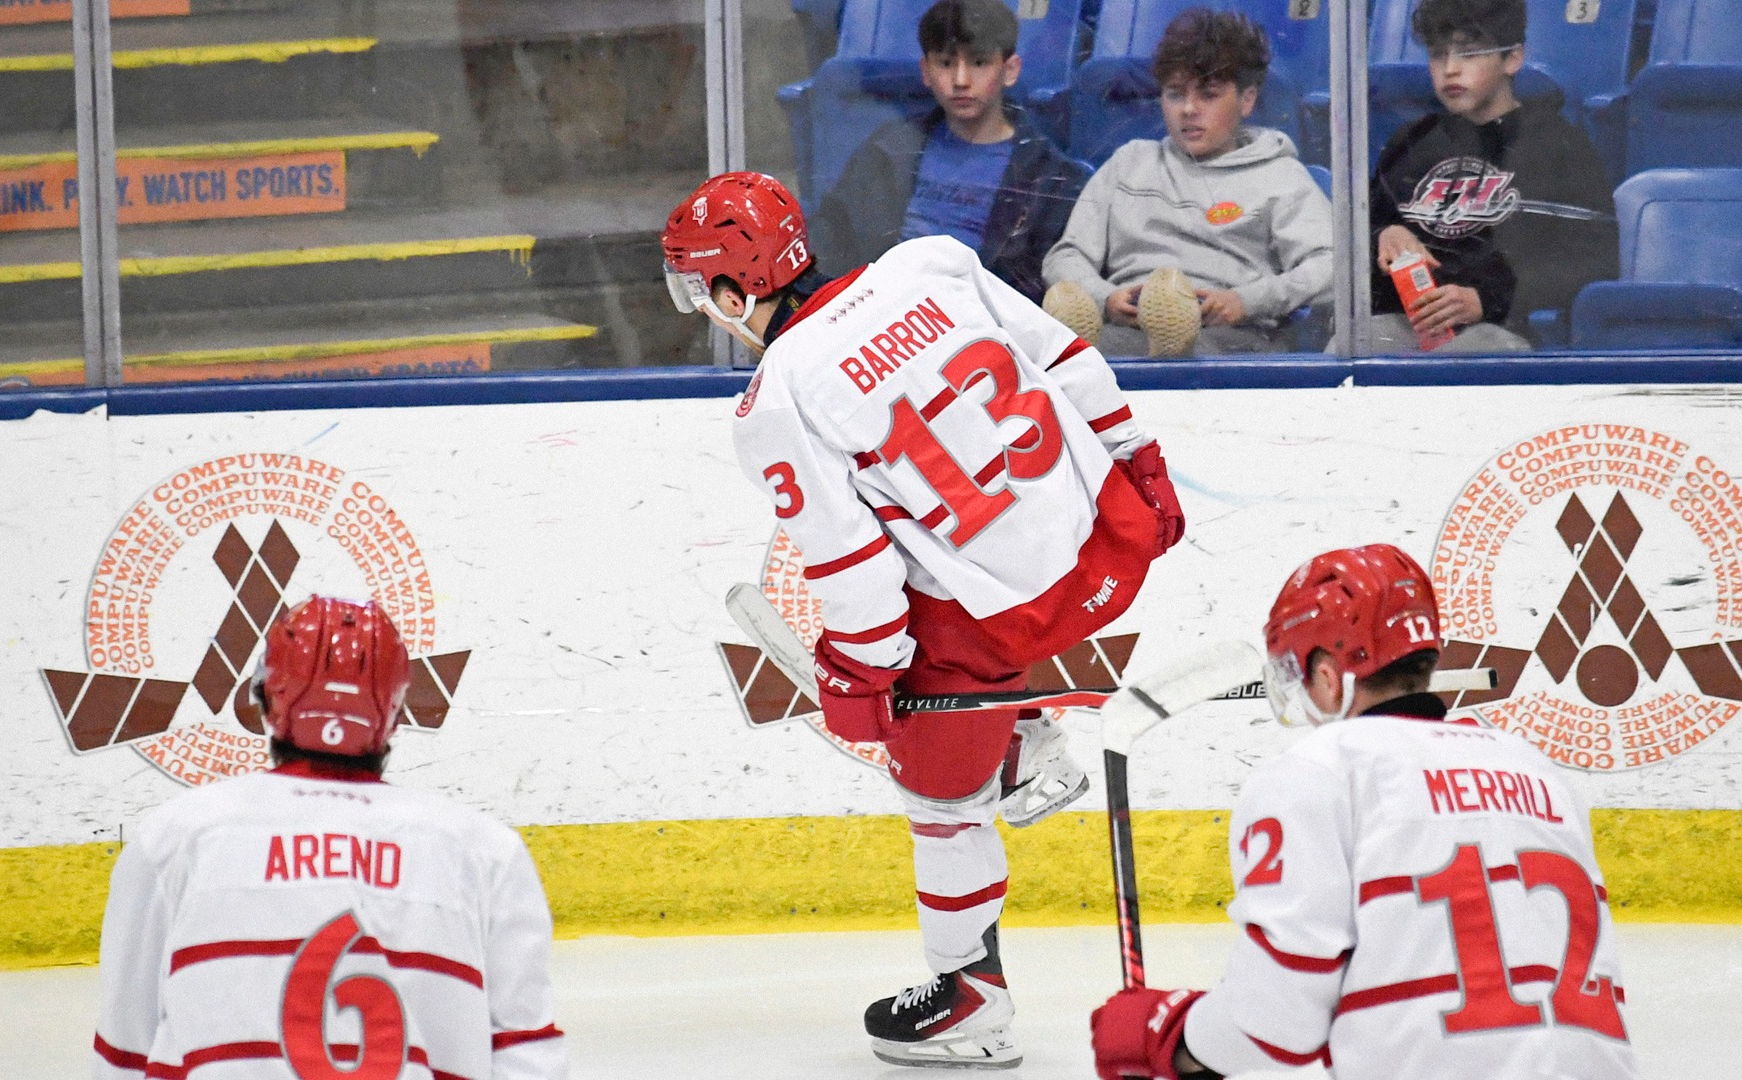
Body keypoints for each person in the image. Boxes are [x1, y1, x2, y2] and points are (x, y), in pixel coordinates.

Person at [663, 170, 1184, 1069]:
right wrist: (1140, 460)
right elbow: (1066, 358)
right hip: (1104, 548)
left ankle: (969, 995)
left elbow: (856, 568)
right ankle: (1019, 734)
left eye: (697, 291)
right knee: (950, 560)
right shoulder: (928, 264)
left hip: (1001, 622)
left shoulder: (776, 400)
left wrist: (861, 677)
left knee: (938, 792)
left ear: (732, 292)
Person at [1089, 544, 1637, 1080]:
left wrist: (1168, 1033)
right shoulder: (1539, 772)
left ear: (1329, 677)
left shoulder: (1319, 772)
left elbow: (1280, 1022)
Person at [92, 597, 567, 1080]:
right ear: (394, 709)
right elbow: (528, 1057)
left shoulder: (172, 838)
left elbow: (124, 1055)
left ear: (267, 697)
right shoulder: (488, 852)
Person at [1042, 9, 1332, 357]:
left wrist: (1247, 301)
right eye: (1175, 94)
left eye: (1208, 95)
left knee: (1174, 351)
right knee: (1063, 351)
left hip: (1234, 336)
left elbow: (1329, 265)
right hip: (1128, 326)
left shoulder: (1280, 175)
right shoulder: (1129, 163)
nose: (1189, 109)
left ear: (1247, 100)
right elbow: (1067, 255)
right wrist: (1105, 298)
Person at [1369, 0, 1618, 352]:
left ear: (1512, 58)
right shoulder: (1411, 141)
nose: (1450, 69)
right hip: (1407, 322)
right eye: (1438, 55)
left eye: (1469, 54)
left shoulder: (1561, 147)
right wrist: (1384, 234)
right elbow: (1353, 243)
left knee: (1476, 354)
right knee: (1353, 344)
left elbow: (1595, 263)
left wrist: (1485, 300)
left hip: (1502, 327)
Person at [808, 0, 1090, 303]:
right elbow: (831, 237)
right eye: (945, 63)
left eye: (979, 63)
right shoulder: (888, 149)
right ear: (925, 71)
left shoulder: (1050, 178)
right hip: (885, 307)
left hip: (980, 317)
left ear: (1010, 70)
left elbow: (1036, 289)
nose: (960, 81)